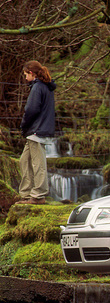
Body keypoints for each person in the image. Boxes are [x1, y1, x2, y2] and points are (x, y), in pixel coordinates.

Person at [17, 60, 57, 205]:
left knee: (37, 163)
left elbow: (31, 110)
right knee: (24, 161)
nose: (25, 77)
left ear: (31, 73)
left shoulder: (38, 87)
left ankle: (38, 195)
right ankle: (27, 194)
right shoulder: (45, 87)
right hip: (37, 130)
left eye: (25, 74)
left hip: (37, 131)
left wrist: (24, 125)